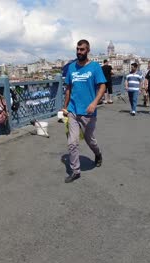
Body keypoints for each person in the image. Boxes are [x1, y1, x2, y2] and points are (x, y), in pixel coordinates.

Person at [61, 39, 106, 183]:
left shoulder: (95, 67)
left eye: (82, 49)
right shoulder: (71, 68)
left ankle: (98, 154)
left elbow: (102, 86)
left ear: (88, 50)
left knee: (90, 140)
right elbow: (68, 89)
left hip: (89, 112)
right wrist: (65, 106)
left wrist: (94, 103)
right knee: (72, 143)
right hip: (73, 110)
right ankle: (76, 171)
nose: (79, 52)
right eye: (77, 49)